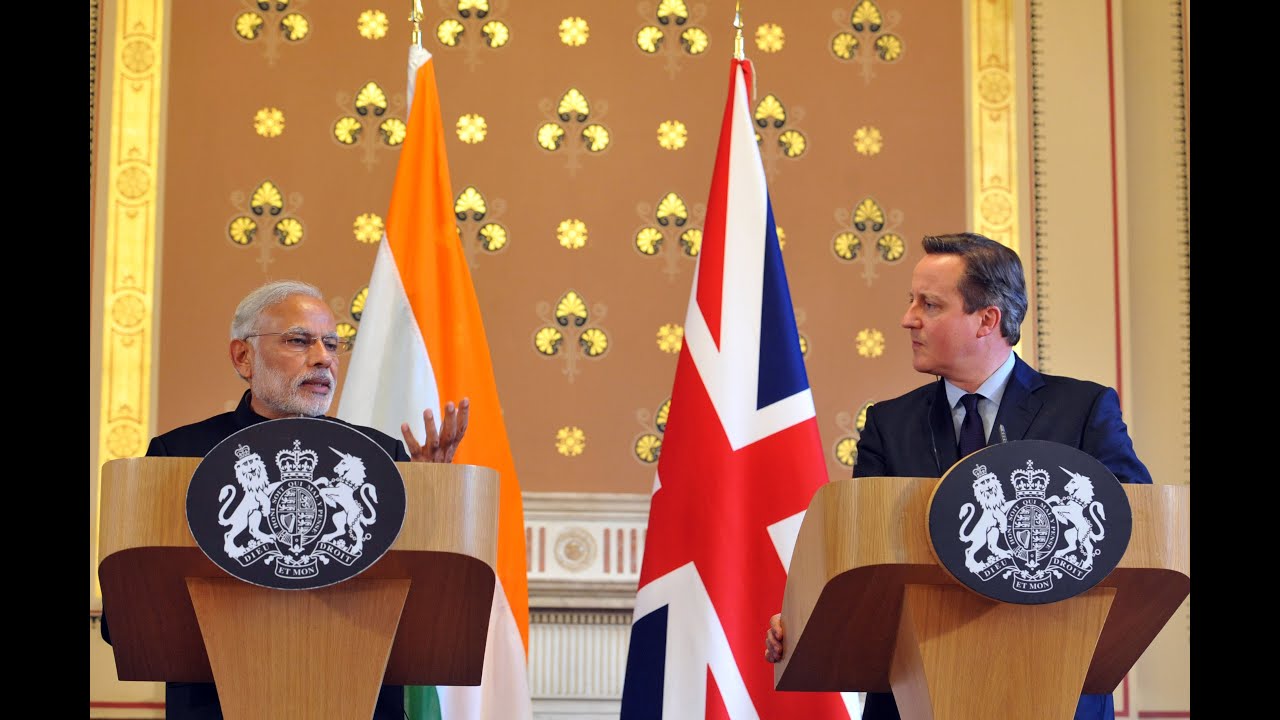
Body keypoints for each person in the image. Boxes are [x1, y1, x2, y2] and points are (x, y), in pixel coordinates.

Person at [763, 233, 1152, 720]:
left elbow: (1135, 530)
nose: (909, 318)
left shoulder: (1083, 409)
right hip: (911, 695)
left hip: (1053, 685)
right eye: (912, 301)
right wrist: (805, 620)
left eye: (929, 304)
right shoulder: (889, 423)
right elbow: (856, 554)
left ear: (987, 319)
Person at [101, 279, 470, 720]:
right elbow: (129, 619)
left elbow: (430, 604)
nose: (324, 359)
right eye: (299, 341)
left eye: (332, 345)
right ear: (243, 357)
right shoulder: (179, 455)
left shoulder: (381, 458)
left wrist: (430, 497)